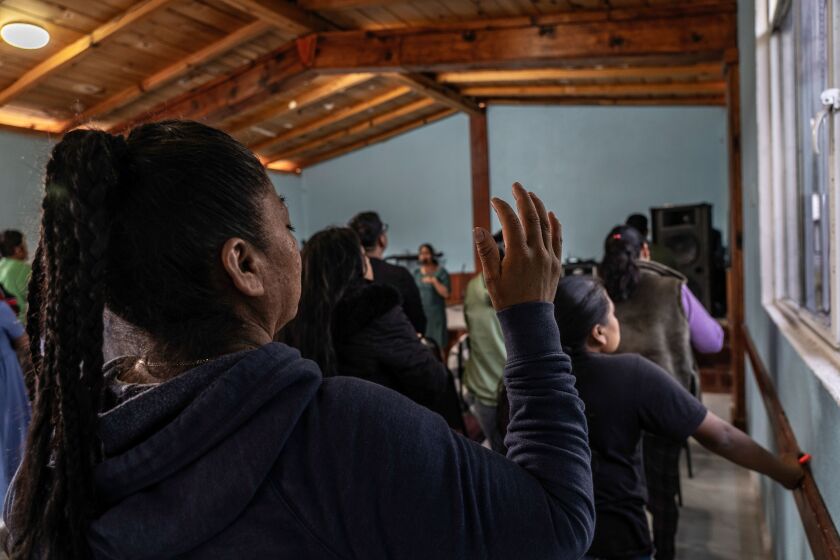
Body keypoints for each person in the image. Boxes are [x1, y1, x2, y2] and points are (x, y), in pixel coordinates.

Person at [2, 124, 594, 559]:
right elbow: (556, 525)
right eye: (285, 223)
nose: (296, 244)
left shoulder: (65, 452)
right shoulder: (337, 434)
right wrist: (530, 317)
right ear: (244, 264)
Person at [500, 275, 803, 560]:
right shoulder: (632, 374)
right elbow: (721, 436)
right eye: (613, 315)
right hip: (618, 537)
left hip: (546, 536)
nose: (618, 321)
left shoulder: (523, 381)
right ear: (599, 332)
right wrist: (785, 472)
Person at [600, 224, 724, 560]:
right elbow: (712, 341)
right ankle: (664, 552)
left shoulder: (594, 289)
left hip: (606, 407)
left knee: (617, 489)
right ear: (645, 251)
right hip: (664, 406)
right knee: (663, 492)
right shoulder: (671, 286)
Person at [281, 226, 461, 428]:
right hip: (378, 428)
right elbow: (431, 379)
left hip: (319, 432)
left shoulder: (293, 315)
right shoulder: (374, 307)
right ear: (356, 264)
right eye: (363, 256)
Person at [462, 231, 506, 452]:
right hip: (513, 392)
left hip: (481, 388)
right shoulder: (522, 292)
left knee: (499, 454)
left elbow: (470, 331)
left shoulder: (471, 287)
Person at [349, 211, 427, 334]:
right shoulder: (400, 276)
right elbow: (418, 323)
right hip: (397, 349)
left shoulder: (345, 277)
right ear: (382, 239)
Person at [0, 289, 31, 505]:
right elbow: (23, 340)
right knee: (13, 426)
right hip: (5, 373)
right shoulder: (1, 309)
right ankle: (18, 490)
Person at [414, 243, 451, 350]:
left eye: (426, 253)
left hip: (436, 318)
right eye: (421, 253)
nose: (424, 256)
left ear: (432, 255)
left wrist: (434, 281)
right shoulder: (416, 274)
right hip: (421, 316)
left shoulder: (441, 273)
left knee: (438, 347)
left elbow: (446, 294)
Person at [0, 231, 31, 324]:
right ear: (17, 249)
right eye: (25, 245)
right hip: (18, 327)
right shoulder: (23, 269)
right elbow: (34, 295)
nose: (27, 250)